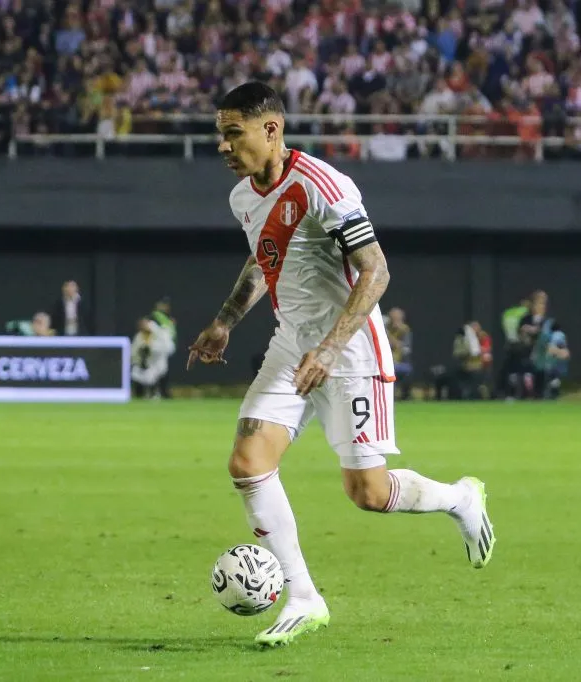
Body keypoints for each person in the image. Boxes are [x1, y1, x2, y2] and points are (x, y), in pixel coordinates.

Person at [186, 82, 495, 648]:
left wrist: (329, 348)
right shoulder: (243, 198)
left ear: (271, 129)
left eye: (234, 134)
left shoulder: (323, 184)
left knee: (368, 493)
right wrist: (227, 318)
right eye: (220, 135)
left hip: (349, 350)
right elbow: (264, 260)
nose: (224, 147)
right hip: (290, 344)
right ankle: (303, 597)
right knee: (248, 462)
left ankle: (460, 498)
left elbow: (375, 271)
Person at [130, 317, 175, 398]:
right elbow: (134, 352)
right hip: (145, 365)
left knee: (158, 381)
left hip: (158, 364)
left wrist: (152, 348)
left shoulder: (160, 335)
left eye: (146, 324)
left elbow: (170, 348)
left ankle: (159, 394)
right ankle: (141, 395)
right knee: (137, 376)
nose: (144, 326)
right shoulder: (139, 336)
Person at [149, 297, 177, 398]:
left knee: (161, 370)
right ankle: (156, 392)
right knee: (156, 370)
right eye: (163, 305)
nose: (165, 307)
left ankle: (160, 392)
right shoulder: (155, 316)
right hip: (157, 348)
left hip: (163, 349)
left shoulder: (165, 317)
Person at [385, 307, 413, 400]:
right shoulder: (384, 330)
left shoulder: (405, 330)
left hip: (401, 362)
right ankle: (388, 396)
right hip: (386, 361)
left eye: (397, 318)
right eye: (393, 318)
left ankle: (401, 395)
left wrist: (392, 339)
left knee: (397, 369)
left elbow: (405, 348)